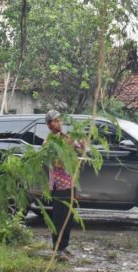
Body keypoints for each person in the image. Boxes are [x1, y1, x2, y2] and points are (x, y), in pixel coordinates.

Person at [45, 110, 84, 260]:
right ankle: (57, 249)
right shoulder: (49, 142)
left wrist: (81, 145)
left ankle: (64, 246)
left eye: (60, 120)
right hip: (59, 186)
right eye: (55, 121)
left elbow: (80, 152)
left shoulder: (66, 137)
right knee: (59, 219)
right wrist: (66, 151)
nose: (59, 123)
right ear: (49, 125)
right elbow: (55, 163)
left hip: (70, 184)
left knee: (69, 218)